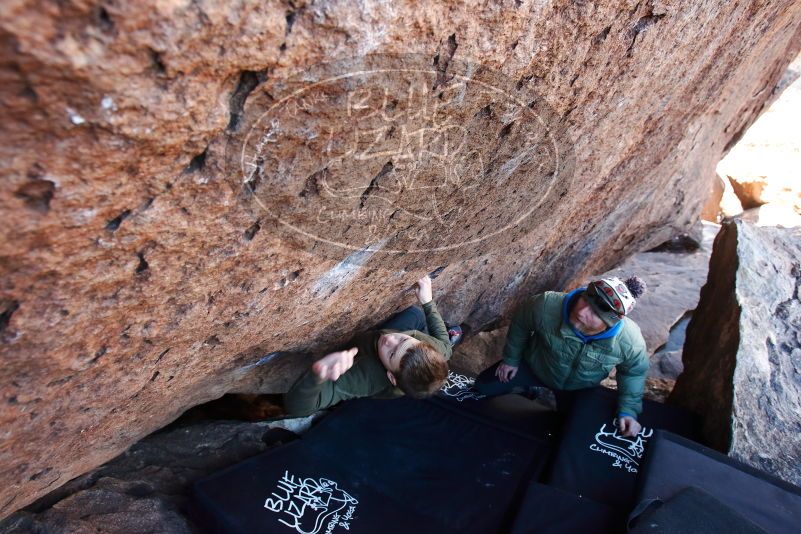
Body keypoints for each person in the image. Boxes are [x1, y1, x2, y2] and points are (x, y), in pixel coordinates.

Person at [475, 276, 649, 437]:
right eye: (585, 300)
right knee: (482, 387)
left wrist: (628, 411)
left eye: (596, 313)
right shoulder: (547, 304)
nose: (582, 312)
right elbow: (521, 323)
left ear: (612, 321)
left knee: (571, 432)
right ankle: (527, 388)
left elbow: (633, 373)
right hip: (536, 367)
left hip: (579, 388)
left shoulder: (630, 341)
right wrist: (511, 360)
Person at [284, 275, 452, 416]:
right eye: (403, 340)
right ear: (422, 343)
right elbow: (446, 344)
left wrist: (318, 374)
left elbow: (298, 409)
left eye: (392, 353)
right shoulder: (435, 350)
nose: (389, 340)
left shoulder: (366, 379)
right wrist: (428, 303)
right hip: (390, 337)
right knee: (415, 313)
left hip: (363, 353)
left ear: (391, 377)